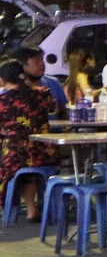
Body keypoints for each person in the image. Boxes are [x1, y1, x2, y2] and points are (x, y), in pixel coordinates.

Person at [0, 59, 61, 222]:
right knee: (29, 170)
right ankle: (32, 208)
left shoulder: (2, 101)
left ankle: (13, 208)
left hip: (17, 155)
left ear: (2, 79)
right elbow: (53, 109)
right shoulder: (42, 93)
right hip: (47, 153)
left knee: (13, 165)